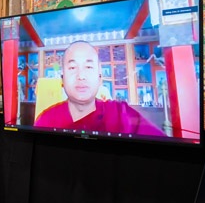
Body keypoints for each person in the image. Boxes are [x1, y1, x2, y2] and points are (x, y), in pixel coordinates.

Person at [34, 41, 165, 136]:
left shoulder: (121, 114)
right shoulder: (45, 120)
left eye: (89, 67)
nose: (81, 76)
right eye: (72, 68)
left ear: (100, 77)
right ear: (62, 78)